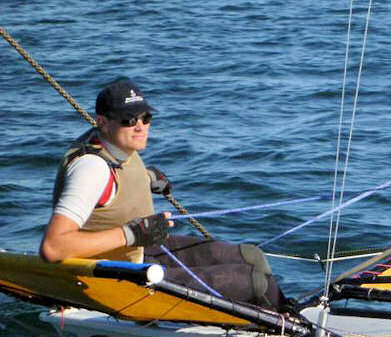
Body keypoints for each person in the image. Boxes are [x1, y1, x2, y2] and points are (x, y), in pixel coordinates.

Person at [40, 77, 287, 310]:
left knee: (251, 256)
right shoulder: (91, 169)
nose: (140, 127)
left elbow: (114, 186)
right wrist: (130, 233)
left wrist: (146, 178)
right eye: (128, 120)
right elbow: (53, 246)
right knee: (256, 282)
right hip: (116, 279)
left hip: (140, 253)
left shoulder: (118, 147)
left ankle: (284, 314)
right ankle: (284, 333)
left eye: (145, 118)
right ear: (103, 122)